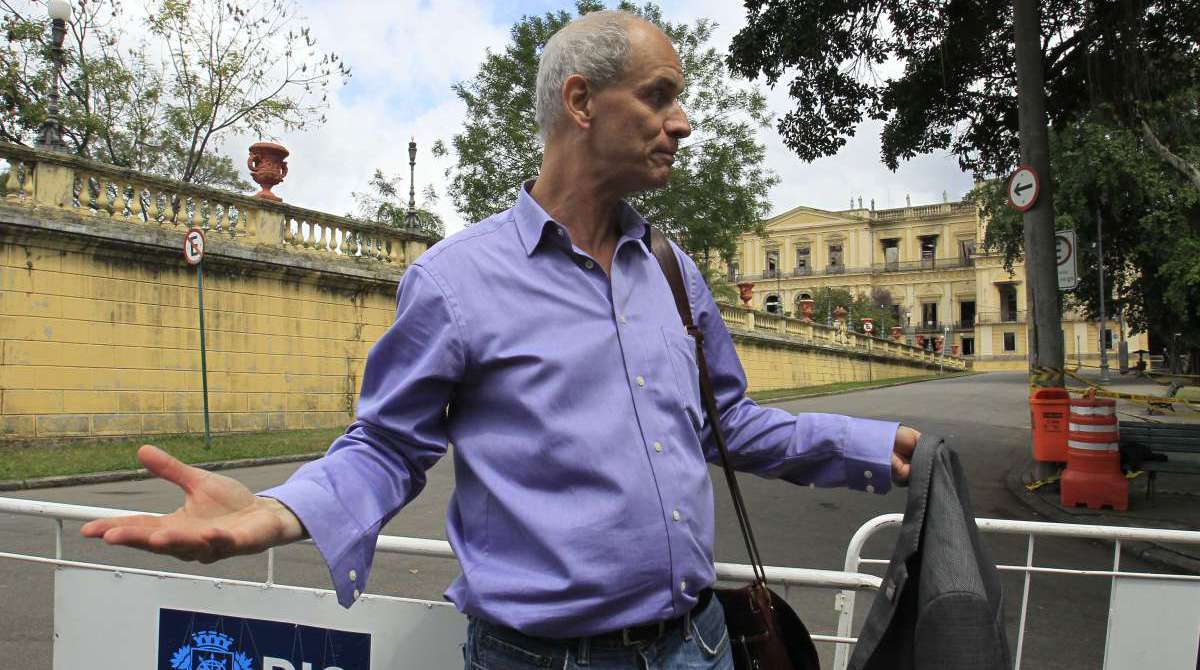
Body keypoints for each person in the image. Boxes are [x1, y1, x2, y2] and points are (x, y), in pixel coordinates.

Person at [82, 10, 920, 669]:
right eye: (660, 97)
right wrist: (277, 511)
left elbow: (726, 425)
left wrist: (880, 445)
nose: (685, 122)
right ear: (582, 102)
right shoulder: (457, 281)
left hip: (695, 647)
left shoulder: (671, 270)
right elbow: (385, 445)